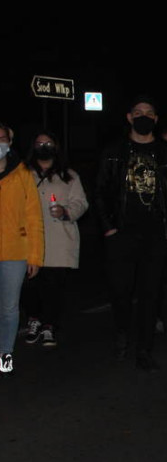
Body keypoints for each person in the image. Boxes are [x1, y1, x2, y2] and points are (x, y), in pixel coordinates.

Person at [95, 96, 167, 371]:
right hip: (121, 234)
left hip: (155, 235)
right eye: (138, 112)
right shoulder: (113, 151)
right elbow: (100, 191)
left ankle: (144, 349)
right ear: (129, 117)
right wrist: (108, 227)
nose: (143, 116)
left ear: (156, 119)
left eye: (149, 112)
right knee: (120, 290)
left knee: (151, 293)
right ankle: (123, 332)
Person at [22, 131, 88, 349]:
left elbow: (81, 203)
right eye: (39, 143)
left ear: (56, 147)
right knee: (29, 285)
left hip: (59, 238)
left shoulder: (69, 176)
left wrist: (66, 211)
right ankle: (33, 320)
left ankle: (49, 324)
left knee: (53, 285)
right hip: (29, 239)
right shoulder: (23, 173)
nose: (44, 146)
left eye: (48, 143)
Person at [0, 123, 44, 375]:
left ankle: (5, 354)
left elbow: (34, 217)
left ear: (10, 141)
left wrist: (35, 256)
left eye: (2, 138)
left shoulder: (23, 173)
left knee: (8, 308)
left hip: (15, 252)